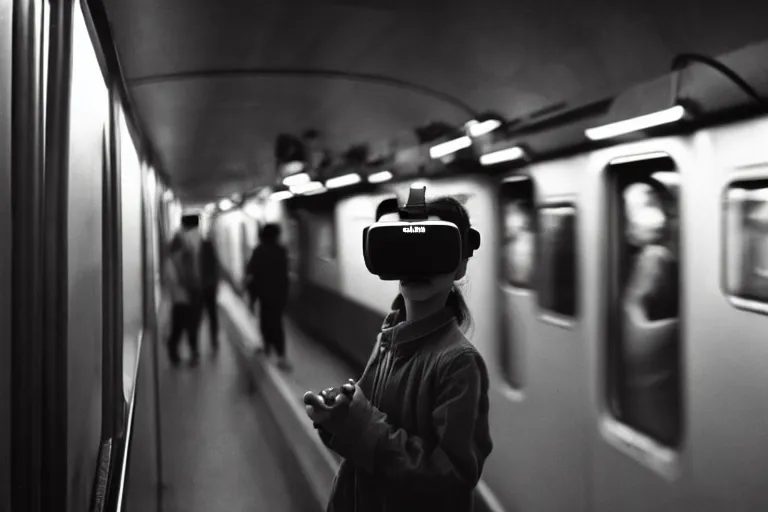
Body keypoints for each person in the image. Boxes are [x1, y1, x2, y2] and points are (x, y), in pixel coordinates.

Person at [303, 196, 493, 512]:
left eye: (433, 251)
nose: (418, 264)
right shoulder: (390, 337)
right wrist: (336, 418)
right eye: (407, 249)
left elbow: (452, 483)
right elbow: (362, 437)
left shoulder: (459, 363)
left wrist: (361, 425)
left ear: (461, 264)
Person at [245, 223, 291, 370]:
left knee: (265, 322)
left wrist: (251, 299)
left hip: (263, 295)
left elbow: (251, 274)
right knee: (277, 324)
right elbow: (285, 275)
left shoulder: (258, 251)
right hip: (278, 295)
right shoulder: (281, 251)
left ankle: (266, 347)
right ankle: (281, 356)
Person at [166, 223, 203, 367]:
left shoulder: (180, 260)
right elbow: (178, 280)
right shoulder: (177, 260)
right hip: (182, 299)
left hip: (183, 299)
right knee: (182, 328)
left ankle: (187, 354)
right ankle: (179, 354)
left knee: (182, 328)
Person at [200, 227, 221, 353]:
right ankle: (214, 338)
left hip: (201, 288)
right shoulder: (213, 257)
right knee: (213, 314)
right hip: (211, 288)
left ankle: (195, 347)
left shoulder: (199, 257)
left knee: (197, 315)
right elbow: (216, 273)